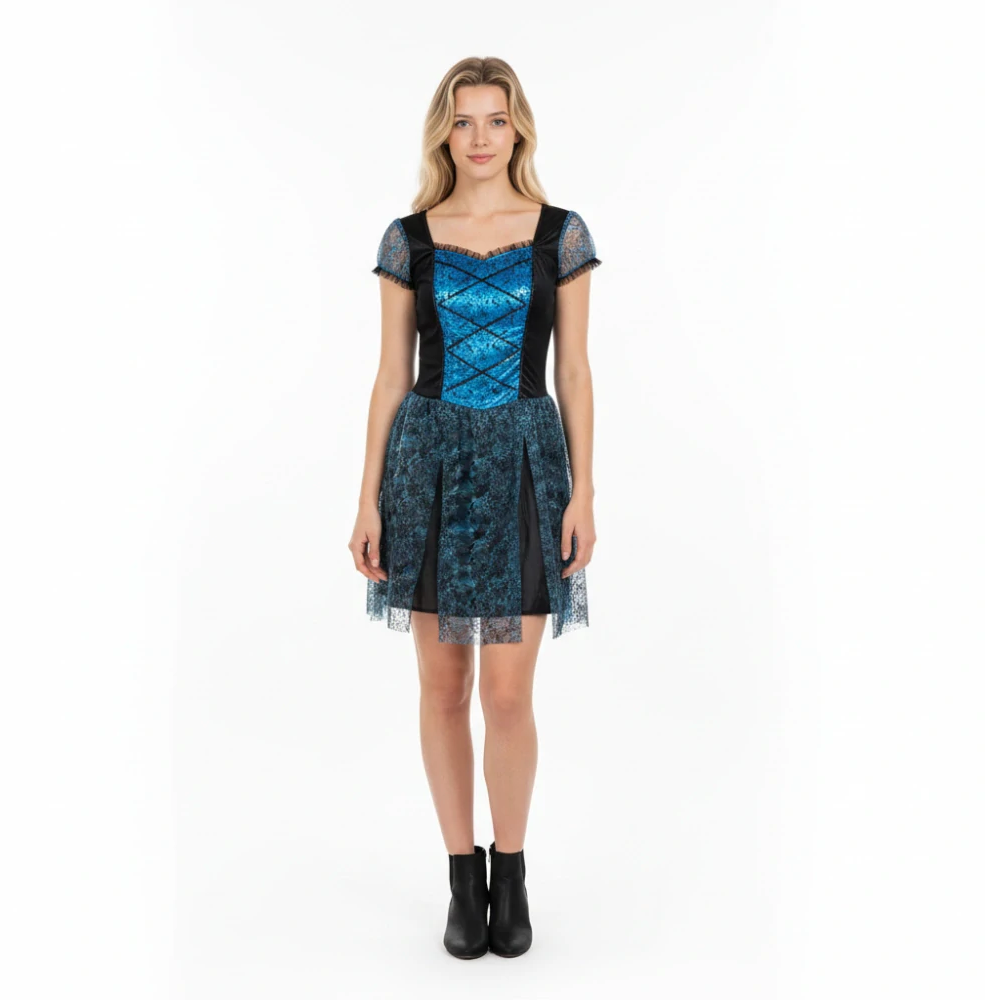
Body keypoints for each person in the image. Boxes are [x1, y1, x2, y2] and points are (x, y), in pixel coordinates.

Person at [348, 55, 600, 959]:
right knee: (444, 686)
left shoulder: (560, 234)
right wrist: (369, 498)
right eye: (464, 121)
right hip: (430, 466)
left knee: (508, 691)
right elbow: (391, 375)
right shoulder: (409, 238)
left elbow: (574, 371)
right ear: (444, 133)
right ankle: (462, 876)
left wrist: (584, 491)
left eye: (496, 119)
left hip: (528, 465)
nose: (481, 137)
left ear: (518, 128)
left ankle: (512, 870)